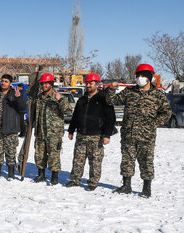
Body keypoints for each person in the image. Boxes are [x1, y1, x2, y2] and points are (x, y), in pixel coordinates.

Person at [105, 64, 171, 197]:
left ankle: (146, 188)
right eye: (138, 76)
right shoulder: (129, 92)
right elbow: (111, 101)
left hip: (147, 135)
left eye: (142, 76)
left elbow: (167, 112)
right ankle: (126, 185)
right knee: (127, 160)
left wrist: (153, 123)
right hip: (128, 133)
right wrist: (112, 88)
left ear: (149, 78)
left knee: (146, 160)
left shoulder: (158, 95)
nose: (139, 78)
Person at [65, 73, 116, 191]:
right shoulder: (82, 100)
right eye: (86, 83)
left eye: (90, 83)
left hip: (96, 136)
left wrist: (107, 135)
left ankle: (93, 182)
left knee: (95, 161)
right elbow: (76, 116)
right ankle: (75, 180)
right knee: (78, 159)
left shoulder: (104, 99)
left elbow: (111, 118)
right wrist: (71, 130)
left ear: (97, 84)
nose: (88, 85)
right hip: (81, 135)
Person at [33, 73, 70, 185]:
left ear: (51, 84)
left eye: (46, 83)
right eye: (43, 83)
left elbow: (68, 111)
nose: (44, 85)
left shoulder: (58, 97)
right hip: (41, 131)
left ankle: (54, 177)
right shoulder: (39, 98)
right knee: (40, 154)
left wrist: (60, 100)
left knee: (54, 155)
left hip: (54, 133)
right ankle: (41, 174)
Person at [0, 74, 27, 180]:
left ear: (10, 83)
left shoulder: (14, 94)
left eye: (6, 81)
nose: (3, 83)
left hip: (10, 128)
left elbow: (23, 108)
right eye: (2, 81)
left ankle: (11, 173)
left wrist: (18, 98)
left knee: (10, 151)